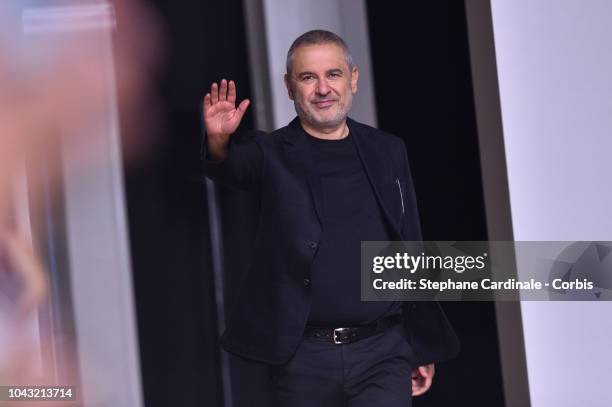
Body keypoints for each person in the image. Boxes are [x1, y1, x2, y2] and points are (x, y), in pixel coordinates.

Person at [201, 29, 458, 407]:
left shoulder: (388, 150)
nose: (323, 88)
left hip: (383, 352)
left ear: (352, 78)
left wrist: (419, 344)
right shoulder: (270, 153)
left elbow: (410, 244)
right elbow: (231, 167)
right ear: (290, 87)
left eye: (333, 75)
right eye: (308, 77)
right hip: (303, 359)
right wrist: (219, 141)